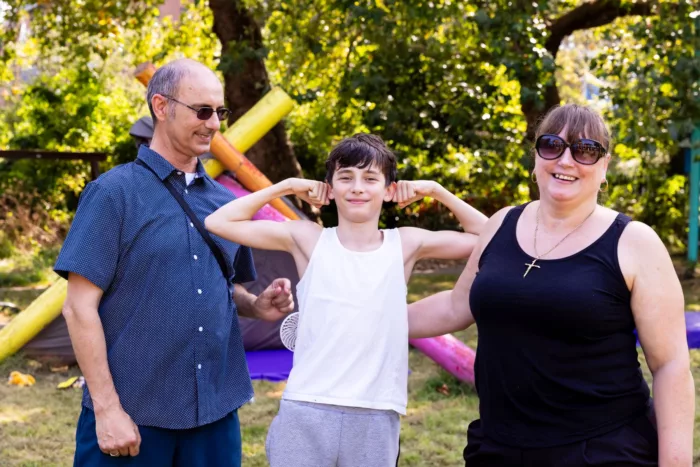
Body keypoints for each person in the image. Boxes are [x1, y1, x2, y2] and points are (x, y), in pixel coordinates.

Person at [408, 104, 695, 466]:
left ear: (604, 167)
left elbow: (670, 366)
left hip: (601, 448)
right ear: (535, 158)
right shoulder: (501, 224)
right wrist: (371, 317)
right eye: (551, 145)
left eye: (585, 150)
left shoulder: (635, 242)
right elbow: (455, 305)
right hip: (499, 446)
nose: (565, 160)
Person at [54, 58, 295, 466]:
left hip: (216, 412)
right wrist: (109, 410)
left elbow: (224, 286)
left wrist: (256, 305)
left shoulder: (225, 203)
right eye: (202, 111)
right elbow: (78, 308)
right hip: (135, 415)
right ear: (161, 107)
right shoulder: (112, 194)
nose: (214, 124)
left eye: (220, 112)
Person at [205, 133, 488, 466]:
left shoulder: (407, 243)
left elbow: (489, 235)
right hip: (306, 408)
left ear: (389, 190)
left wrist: (436, 191)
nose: (357, 187)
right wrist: (285, 186)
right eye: (345, 177)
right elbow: (218, 221)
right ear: (329, 187)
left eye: (370, 179)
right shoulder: (307, 238)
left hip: (377, 411)